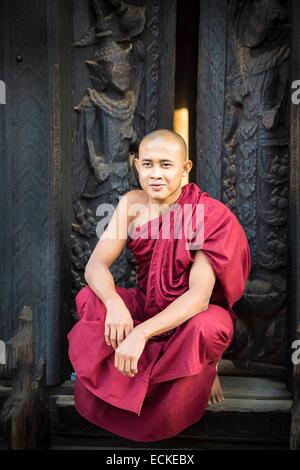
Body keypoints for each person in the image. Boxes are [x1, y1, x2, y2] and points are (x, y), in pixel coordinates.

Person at [68, 129, 251, 442]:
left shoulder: (200, 214)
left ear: (185, 168)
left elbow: (198, 298)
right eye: (148, 164)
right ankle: (148, 379)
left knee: (208, 327)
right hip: (146, 305)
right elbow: (95, 266)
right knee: (91, 298)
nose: (155, 174)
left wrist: (140, 333)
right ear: (136, 166)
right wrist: (114, 303)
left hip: (189, 318)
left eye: (166, 165)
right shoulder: (131, 204)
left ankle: (205, 369)